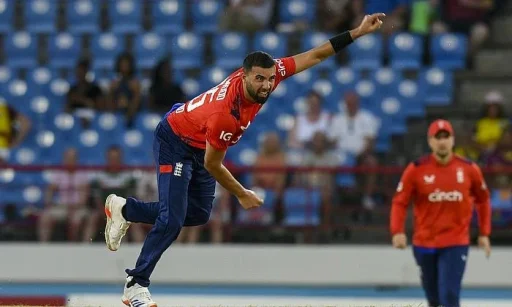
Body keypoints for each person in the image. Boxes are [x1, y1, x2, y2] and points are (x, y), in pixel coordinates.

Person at [104, 13, 385, 307]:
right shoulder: (228, 115)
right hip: (175, 139)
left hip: (199, 138)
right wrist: (242, 194)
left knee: (198, 214)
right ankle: (136, 284)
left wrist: (358, 32)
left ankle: (125, 209)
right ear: (246, 75)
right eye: (260, 79)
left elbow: (316, 54)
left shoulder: (271, 74)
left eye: (270, 79)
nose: (266, 85)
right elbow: (213, 165)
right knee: (172, 219)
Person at [390, 119, 492, 307]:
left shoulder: (469, 169)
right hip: (424, 242)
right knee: (434, 298)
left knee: (449, 295)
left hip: (455, 242)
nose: (442, 142)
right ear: (430, 142)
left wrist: (484, 233)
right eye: (438, 137)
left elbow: (483, 199)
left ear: (453, 140)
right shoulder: (416, 170)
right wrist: (397, 231)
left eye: (446, 137)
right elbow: (399, 201)